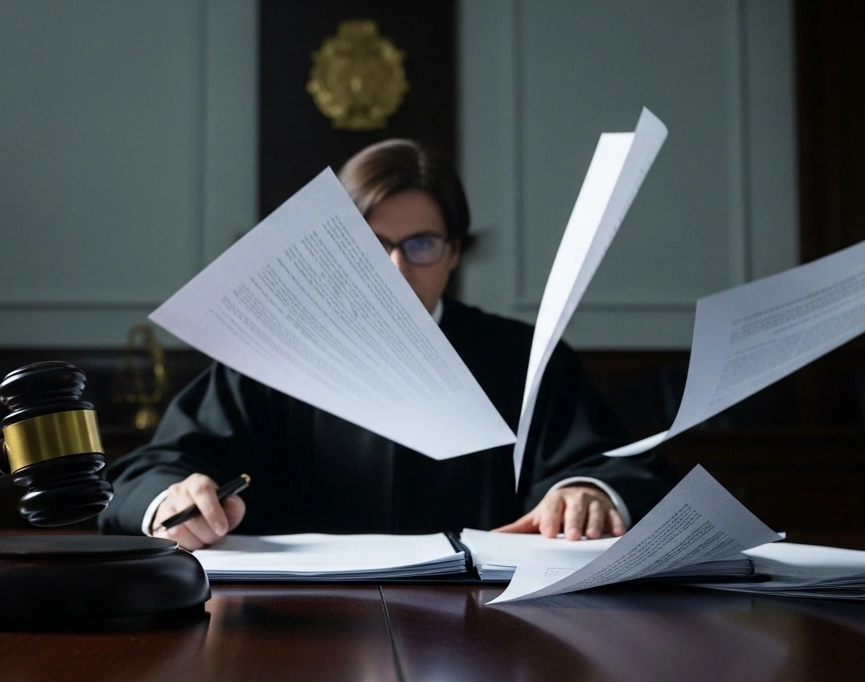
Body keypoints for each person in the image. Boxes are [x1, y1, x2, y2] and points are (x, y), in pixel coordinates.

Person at [100, 139, 672, 549]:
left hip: (488, 627)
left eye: (420, 244)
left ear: (455, 251)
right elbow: (154, 469)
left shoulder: (524, 358)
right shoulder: (270, 358)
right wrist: (172, 500)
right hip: (295, 636)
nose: (396, 269)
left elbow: (618, 468)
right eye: (370, 245)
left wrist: (587, 491)